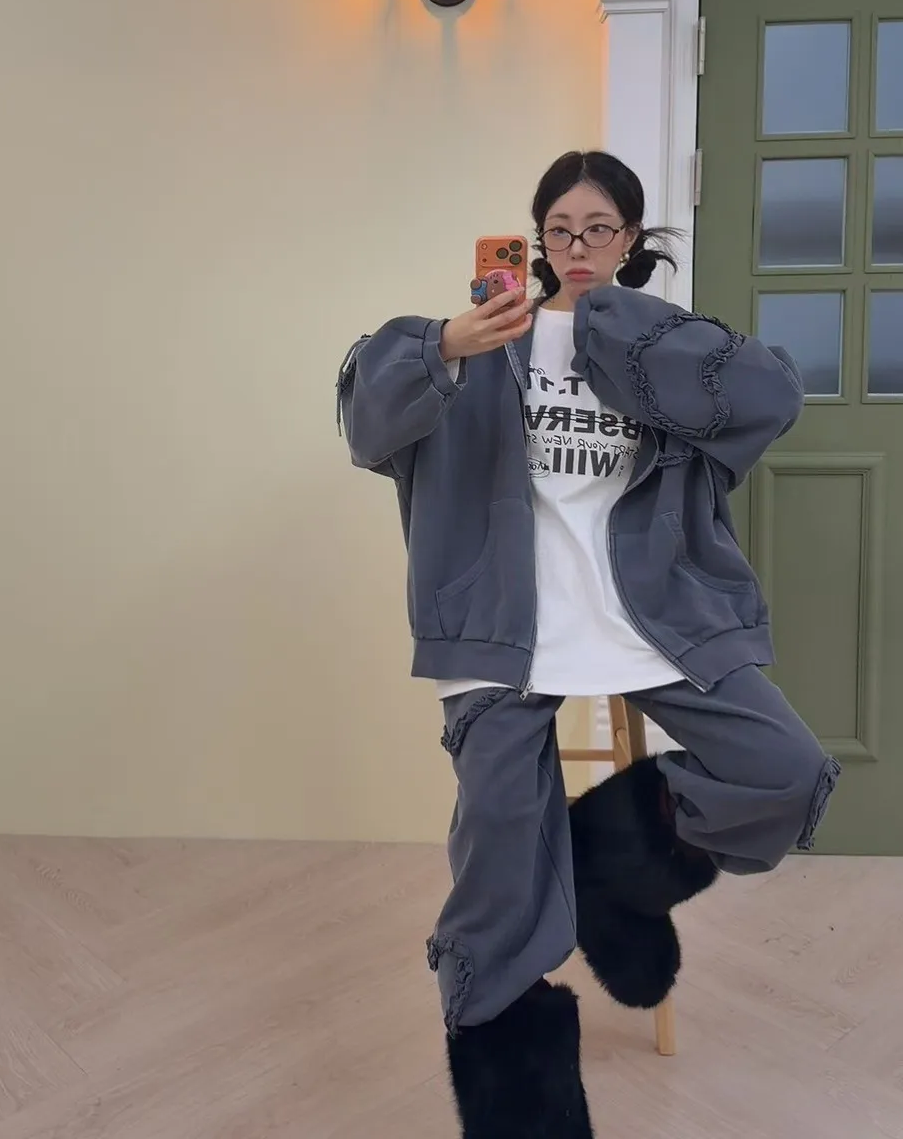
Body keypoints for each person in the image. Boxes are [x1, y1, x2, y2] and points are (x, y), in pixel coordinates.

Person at [336, 151, 841, 1139]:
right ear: (533, 239)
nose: (577, 246)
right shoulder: (475, 344)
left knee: (784, 772)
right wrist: (448, 344)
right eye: (559, 229)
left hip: (652, 616)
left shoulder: (666, 347)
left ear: (630, 238)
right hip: (501, 629)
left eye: (599, 228)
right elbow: (364, 419)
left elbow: (772, 397)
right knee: (496, 885)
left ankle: (601, 871)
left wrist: (627, 323)